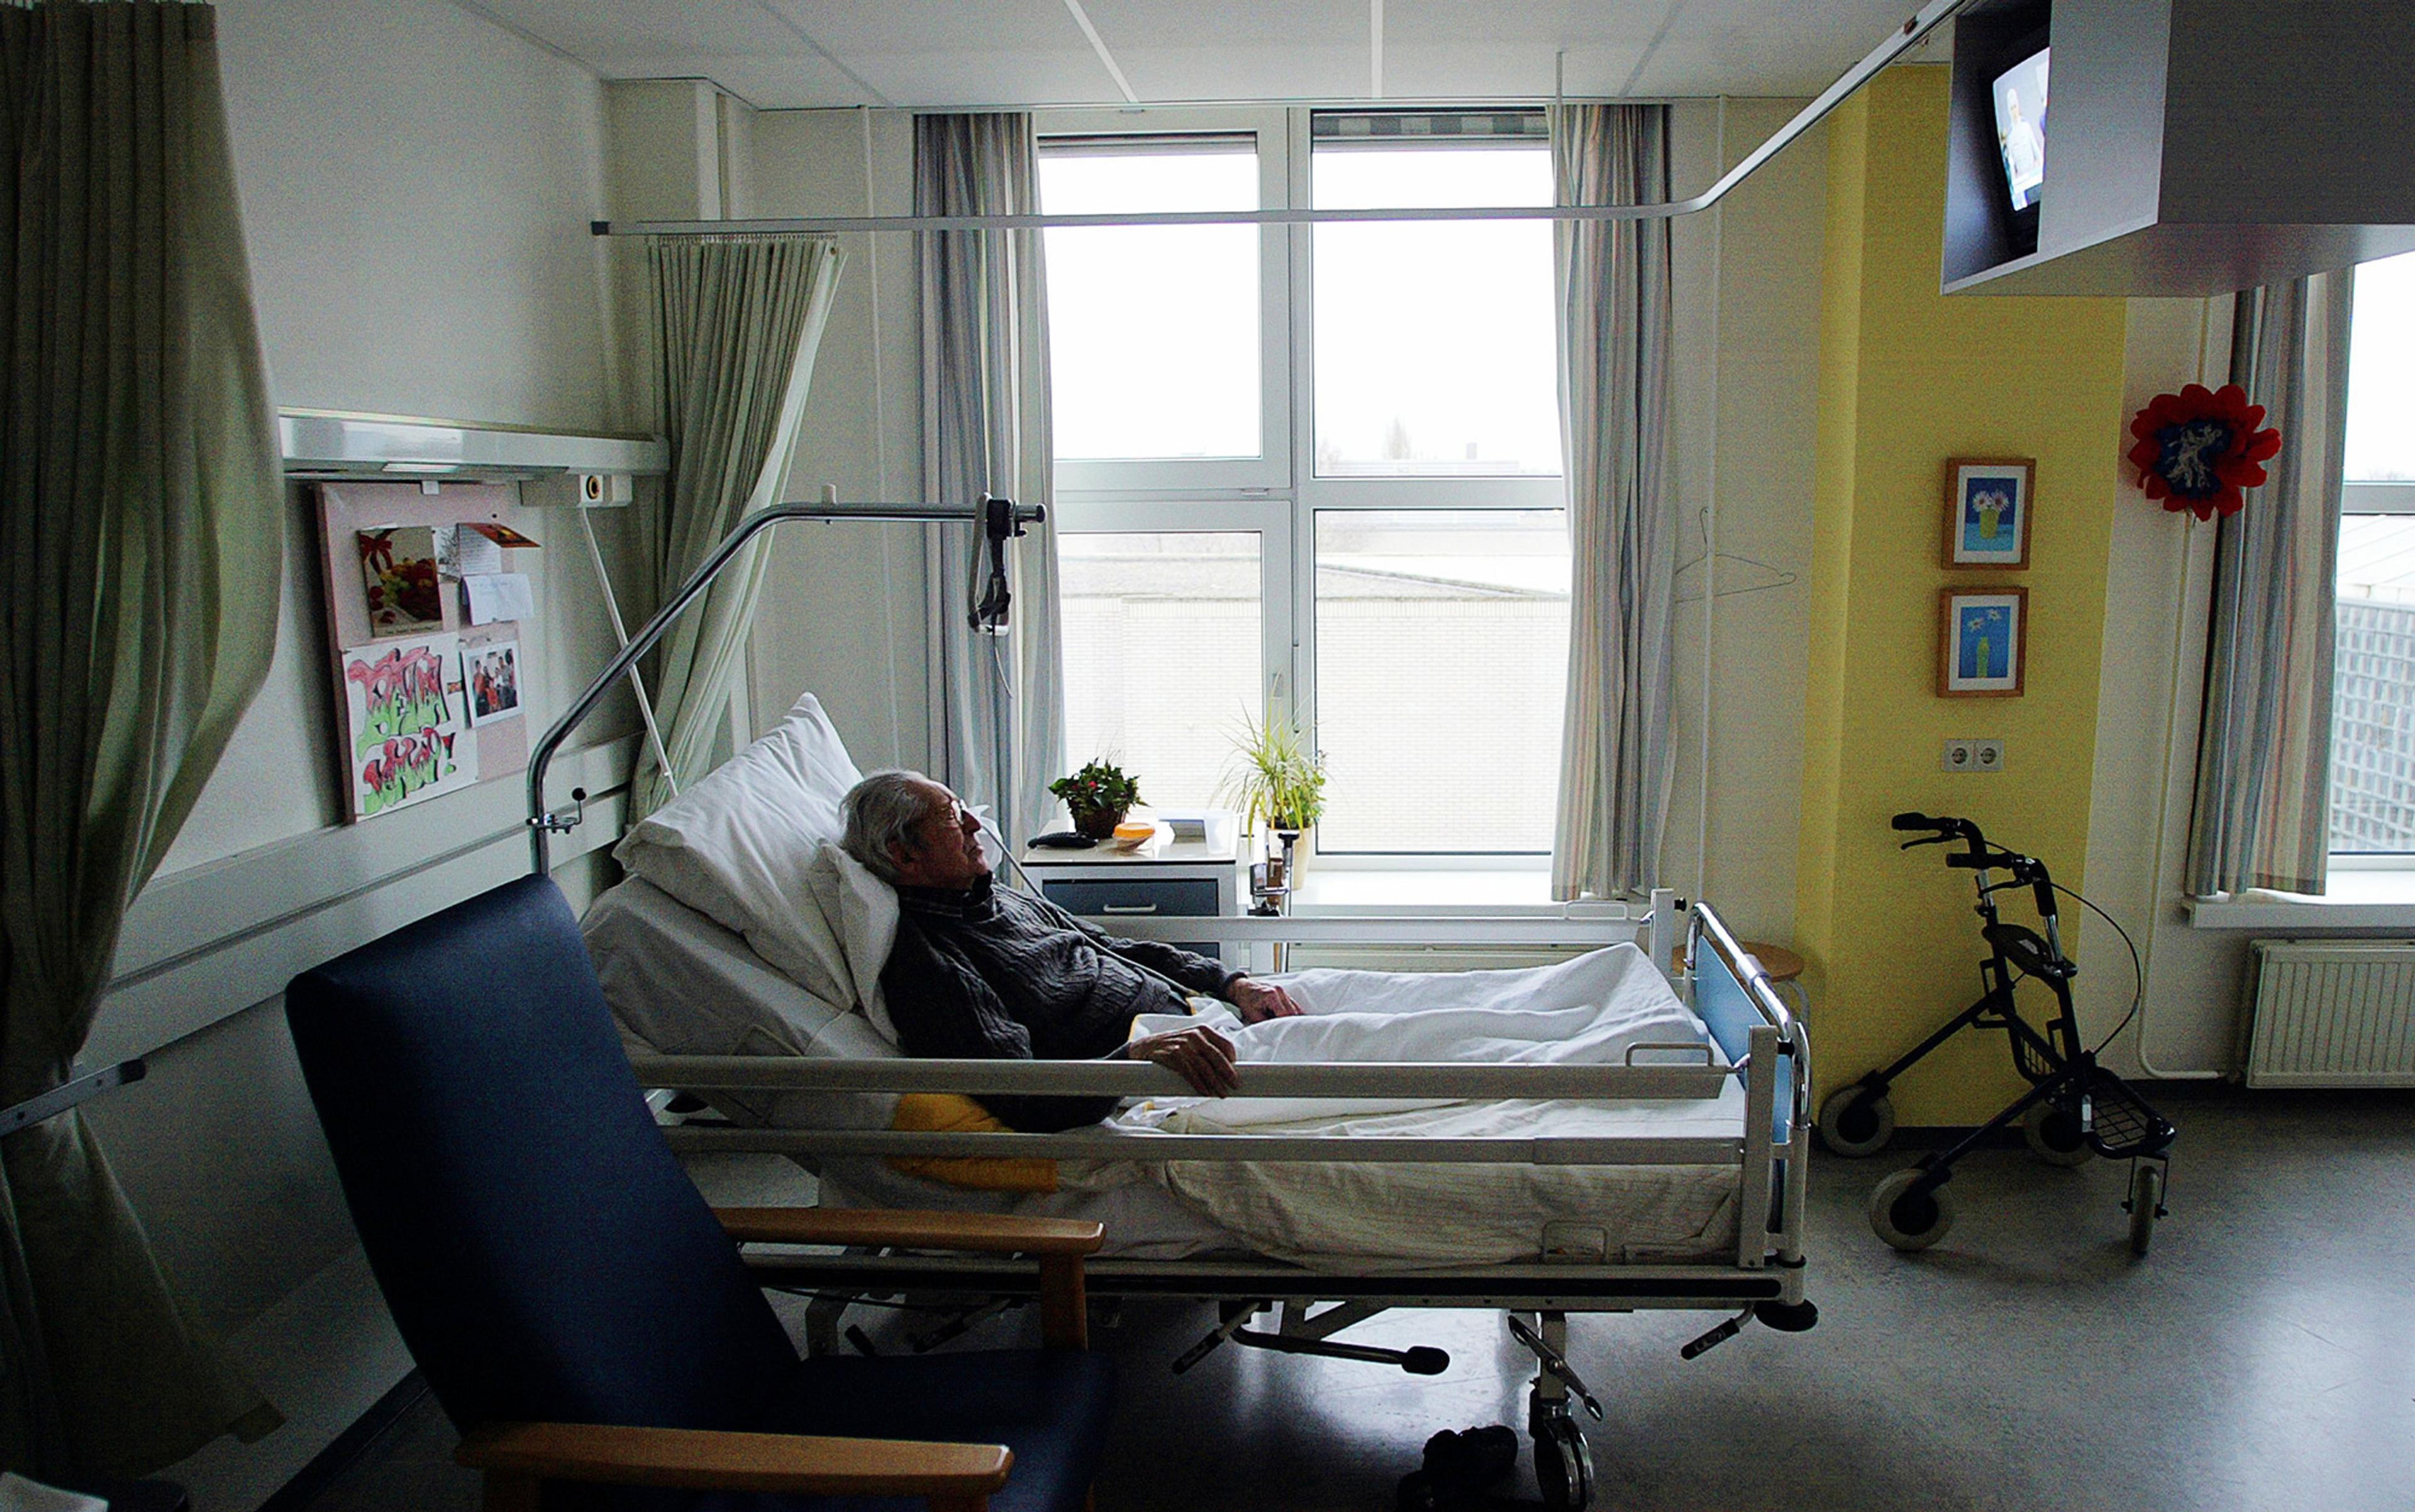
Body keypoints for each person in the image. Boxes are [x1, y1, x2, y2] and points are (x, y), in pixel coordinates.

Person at [840, 770, 1302, 1131]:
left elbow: (1112, 947)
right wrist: (1135, 1058)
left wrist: (1232, 982)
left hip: (1201, 1013)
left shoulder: (996, 897)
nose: (975, 824)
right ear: (904, 855)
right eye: (949, 816)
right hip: (1167, 1072)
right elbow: (1024, 1096)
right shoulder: (934, 966)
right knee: (1364, 1044)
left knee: (1369, 999)